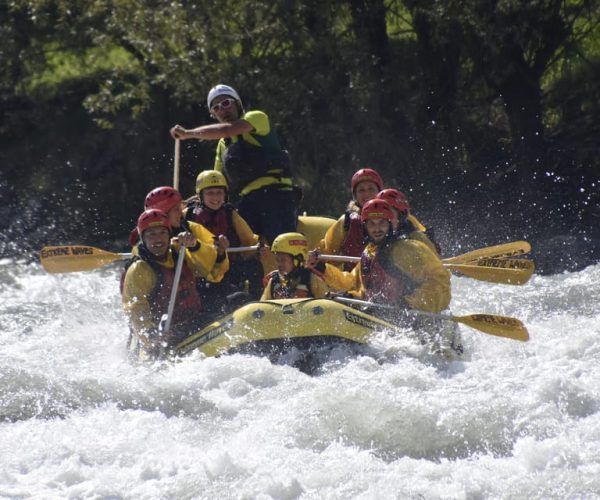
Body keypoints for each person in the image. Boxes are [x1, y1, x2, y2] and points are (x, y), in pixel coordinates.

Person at [308, 199, 461, 356]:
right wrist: (323, 268)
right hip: (387, 323)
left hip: (422, 324)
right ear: (364, 227)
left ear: (390, 224)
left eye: (381, 223)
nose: (377, 229)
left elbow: (440, 280)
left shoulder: (406, 249)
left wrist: (410, 303)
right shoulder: (369, 252)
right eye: (372, 224)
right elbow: (351, 283)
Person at [170, 84, 297, 244]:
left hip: (277, 195)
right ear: (214, 114)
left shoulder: (256, 117)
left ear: (237, 103)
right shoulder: (223, 145)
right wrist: (189, 202)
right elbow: (216, 182)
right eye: (216, 108)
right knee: (238, 240)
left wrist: (188, 134)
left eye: (226, 103)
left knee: (281, 242)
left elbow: (226, 129)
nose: (222, 110)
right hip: (248, 202)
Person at [122, 209, 229, 361]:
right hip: (165, 333)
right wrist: (151, 334)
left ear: (169, 234)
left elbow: (214, 273)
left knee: (237, 299)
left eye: (162, 233)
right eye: (152, 234)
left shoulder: (180, 250)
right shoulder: (140, 269)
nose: (158, 239)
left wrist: (195, 246)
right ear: (143, 238)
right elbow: (135, 309)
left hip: (194, 321)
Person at [185, 170, 265, 303]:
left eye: (219, 193)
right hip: (200, 272)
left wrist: (258, 249)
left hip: (227, 268)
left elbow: (249, 240)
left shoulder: (229, 214)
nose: (215, 197)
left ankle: (256, 305)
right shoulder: (187, 215)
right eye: (210, 193)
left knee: (254, 267)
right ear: (200, 196)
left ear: (225, 194)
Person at [319, 168, 383, 270]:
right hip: (352, 279)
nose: (366, 194)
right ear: (355, 196)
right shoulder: (346, 221)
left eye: (371, 189)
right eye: (361, 190)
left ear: (379, 192)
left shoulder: (393, 218)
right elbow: (328, 251)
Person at [261, 232, 329, 300]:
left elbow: (327, 304)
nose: (279, 264)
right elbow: (263, 305)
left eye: (283, 260)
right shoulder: (273, 281)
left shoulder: (312, 279)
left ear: (297, 259)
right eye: (277, 260)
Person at [375, 188, 440, 255]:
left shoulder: (415, 239)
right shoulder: (374, 237)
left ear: (400, 215)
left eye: (388, 212)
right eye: (380, 213)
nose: (384, 217)